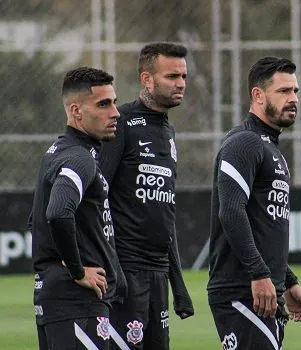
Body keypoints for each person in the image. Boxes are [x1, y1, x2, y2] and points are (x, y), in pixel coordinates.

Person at [207, 56, 301, 350]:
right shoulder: (245, 142)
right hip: (242, 289)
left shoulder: (271, 147)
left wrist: (287, 280)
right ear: (257, 95)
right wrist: (259, 274)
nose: (292, 99)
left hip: (265, 288)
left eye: (295, 91)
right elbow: (231, 212)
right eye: (283, 91)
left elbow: (263, 226)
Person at [99, 42, 194, 349]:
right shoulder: (121, 122)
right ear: (146, 79)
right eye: (171, 76)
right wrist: (112, 269)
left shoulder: (168, 131)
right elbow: (96, 197)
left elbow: (165, 214)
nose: (180, 83)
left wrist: (178, 284)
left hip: (157, 276)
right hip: (126, 272)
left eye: (183, 76)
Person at [30, 66, 124, 349]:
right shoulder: (78, 158)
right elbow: (58, 213)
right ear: (76, 111)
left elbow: (36, 221)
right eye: (103, 104)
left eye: (114, 102)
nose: (115, 112)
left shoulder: (57, 152)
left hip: (58, 299)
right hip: (76, 303)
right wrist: (77, 270)